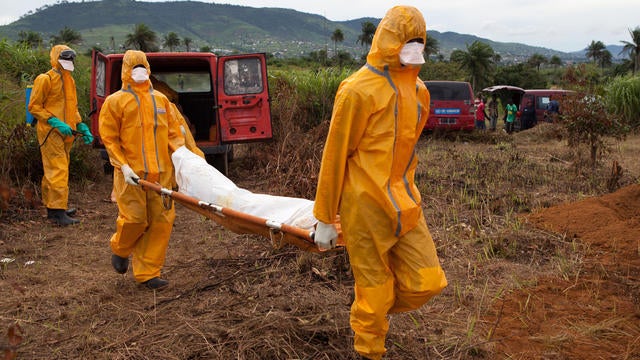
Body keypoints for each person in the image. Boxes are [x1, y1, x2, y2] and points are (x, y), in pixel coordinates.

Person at [312, 6, 447, 360]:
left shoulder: (420, 93)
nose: (414, 47)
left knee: (428, 280)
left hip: (406, 203)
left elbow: (408, 148)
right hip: (364, 207)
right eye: (407, 40)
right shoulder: (357, 90)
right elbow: (335, 154)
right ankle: (369, 348)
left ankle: (371, 310)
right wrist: (325, 217)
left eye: (419, 41)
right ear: (388, 39)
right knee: (373, 290)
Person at [99, 50, 185, 290]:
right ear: (127, 70)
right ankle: (120, 249)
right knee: (135, 219)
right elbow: (110, 139)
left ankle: (148, 273)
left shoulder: (161, 100)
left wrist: (182, 159)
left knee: (161, 222)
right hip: (131, 176)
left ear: (148, 68)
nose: (138, 70)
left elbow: (174, 134)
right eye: (133, 66)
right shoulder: (115, 102)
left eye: (142, 66)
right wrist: (123, 166)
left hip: (161, 176)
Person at [28, 44, 94, 226]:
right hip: (51, 132)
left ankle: (56, 207)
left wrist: (81, 125)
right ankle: (57, 213)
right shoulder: (45, 79)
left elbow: (72, 107)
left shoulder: (69, 80)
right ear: (56, 58)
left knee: (58, 169)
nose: (68, 62)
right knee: (57, 170)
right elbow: (34, 106)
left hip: (67, 133)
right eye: (65, 59)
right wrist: (54, 122)